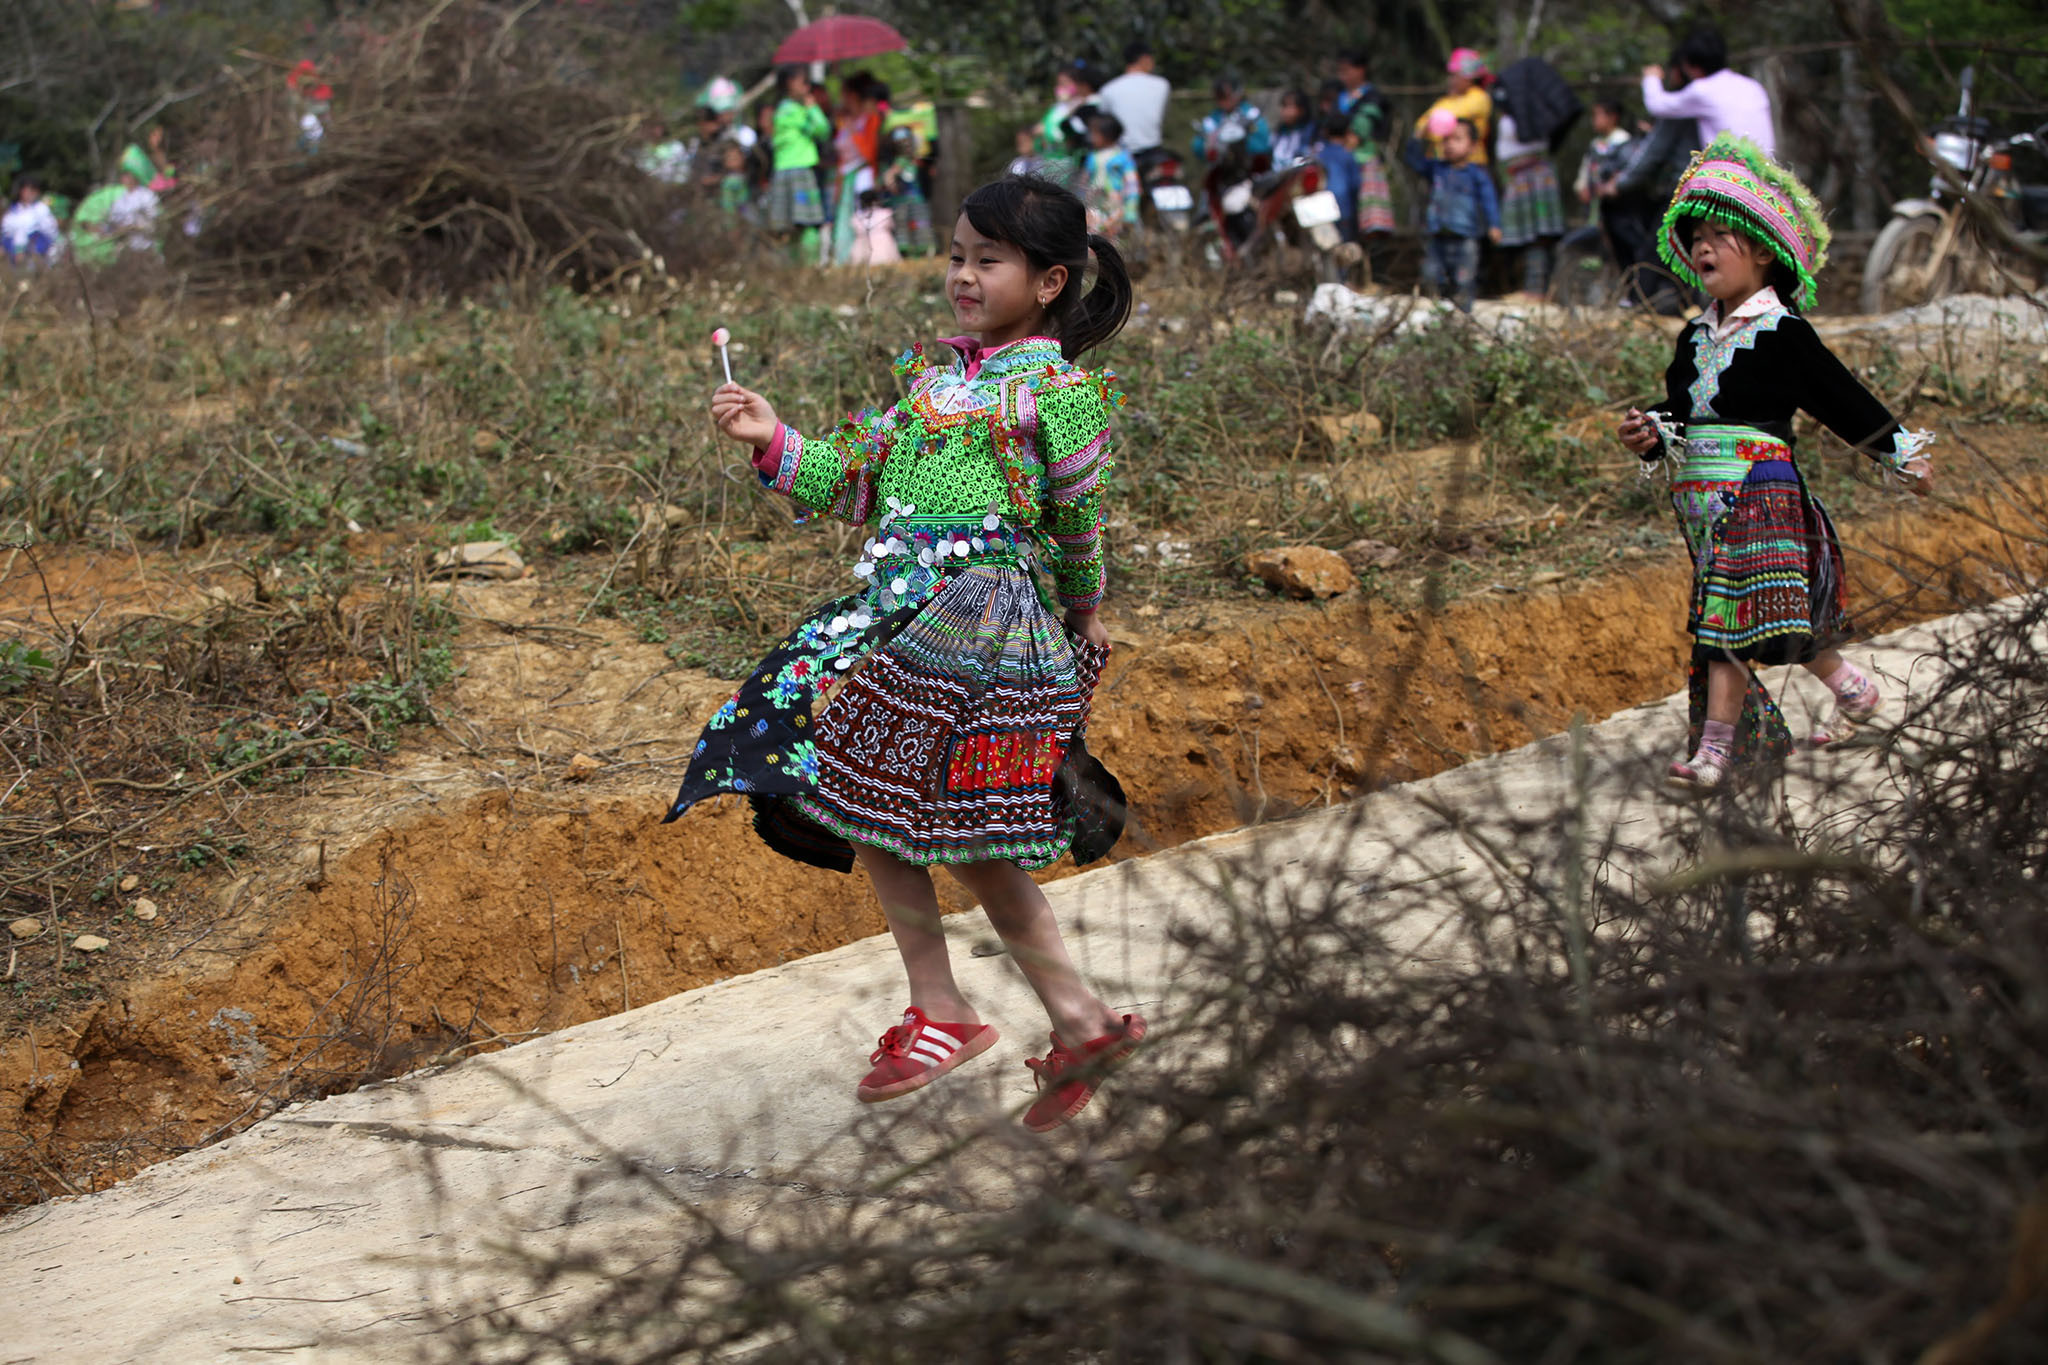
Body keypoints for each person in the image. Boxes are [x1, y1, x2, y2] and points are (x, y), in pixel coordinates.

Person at [687, 173, 1143, 1133]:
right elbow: (848, 479)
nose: (963, 277)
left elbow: (1079, 522)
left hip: (982, 621)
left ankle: (967, 1011)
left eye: (988, 260)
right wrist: (773, 436)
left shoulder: (1061, 393)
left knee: (939, 823)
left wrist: (1084, 609)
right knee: (868, 798)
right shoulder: (935, 384)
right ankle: (1049, 1016)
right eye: (955, 257)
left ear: (1051, 281)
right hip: (904, 615)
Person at [1617, 135, 1933, 789]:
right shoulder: (1694, 336)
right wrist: (1652, 428)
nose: (1703, 246)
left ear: (1762, 252)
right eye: (1696, 236)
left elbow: (1842, 399)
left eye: (1720, 236)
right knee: (1771, 613)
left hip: (1760, 489)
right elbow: (1683, 411)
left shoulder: (1784, 333)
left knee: (1726, 617)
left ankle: (1719, 751)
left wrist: (1900, 452)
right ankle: (1854, 692)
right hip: (1702, 502)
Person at [1597, 109, 1698, 309]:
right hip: (1685, 191)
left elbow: (1649, 158)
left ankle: (1640, 303)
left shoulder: (1673, 116)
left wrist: (1618, 185)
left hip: (1679, 193)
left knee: (1654, 249)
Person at [1403, 117, 1500, 311]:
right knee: (1432, 277)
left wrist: (1494, 225)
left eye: (1457, 139)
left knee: (1464, 281)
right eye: (1445, 139)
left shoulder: (1477, 175)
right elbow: (1413, 160)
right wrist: (1418, 137)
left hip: (1466, 238)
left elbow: (1489, 200)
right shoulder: (1436, 169)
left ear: (1473, 146)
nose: (1449, 144)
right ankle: (1438, 318)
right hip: (1437, 236)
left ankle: (1462, 320)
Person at [1641, 27, 1774, 157]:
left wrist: (1651, 78)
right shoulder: (1753, 86)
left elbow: (1657, 106)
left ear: (1690, 65)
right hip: (1764, 171)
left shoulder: (1702, 90)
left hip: (1730, 172)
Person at [1494, 108, 1565, 298]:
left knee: (1538, 235)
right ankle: (1531, 287)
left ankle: (1537, 289)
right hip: (1517, 179)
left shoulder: (1535, 105)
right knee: (1524, 237)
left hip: (1536, 179)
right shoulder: (1509, 103)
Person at [767, 66, 831, 261]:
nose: (807, 86)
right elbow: (823, 130)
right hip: (801, 171)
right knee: (809, 223)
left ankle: (795, 271)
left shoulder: (780, 111)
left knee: (789, 226)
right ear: (790, 83)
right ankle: (810, 269)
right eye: (803, 82)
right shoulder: (795, 111)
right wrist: (812, 106)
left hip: (781, 172)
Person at [1336, 52, 1397, 248]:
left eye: (1347, 70)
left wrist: (1346, 139)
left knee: (1370, 222)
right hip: (1340, 165)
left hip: (1364, 163)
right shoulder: (1340, 97)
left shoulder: (1373, 97)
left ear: (1361, 70)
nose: (1343, 75)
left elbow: (1361, 130)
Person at [829, 73, 886, 265]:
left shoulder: (870, 119)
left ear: (853, 95)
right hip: (845, 178)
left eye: (844, 93)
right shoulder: (842, 121)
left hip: (863, 176)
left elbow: (869, 152)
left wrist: (853, 130)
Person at [1415, 48, 1494, 163]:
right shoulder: (1446, 101)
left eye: (1455, 75)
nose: (1451, 80)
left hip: (1471, 164)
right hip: (1444, 165)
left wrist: (1433, 126)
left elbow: (1448, 115)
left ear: (1469, 77)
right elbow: (1420, 125)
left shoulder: (1479, 97)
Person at [1096, 41, 1170, 160]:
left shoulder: (1108, 89)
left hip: (1119, 154)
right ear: (1145, 59)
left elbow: (1103, 123)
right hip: (1153, 153)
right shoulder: (1162, 85)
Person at [1082, 114, 1141, 239]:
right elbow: (1085, 180)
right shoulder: (1092, 156)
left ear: (1107, 135)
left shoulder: (1123, 158)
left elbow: (1132, 185)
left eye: (1094, 133)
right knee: (1093, 235)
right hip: (1094, 204)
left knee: (1113, 237)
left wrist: (1130, 212)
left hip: (1115, 205)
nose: (1090, 137)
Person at [1192, 77, 1271, 167]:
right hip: (1222, 167)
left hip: (1249, 165)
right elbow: (1198, 148)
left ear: (1237, 93)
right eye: (1219, 97)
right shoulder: (1211, 121)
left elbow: (1263, 144)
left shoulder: (1252, 115)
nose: (1223, 101)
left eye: (1226, 96)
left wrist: (1243, 138)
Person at [1574, 99, 1633, 216]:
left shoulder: (1623, 141)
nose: (1594, 120)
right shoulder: (1595, 143)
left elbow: (1627, 170)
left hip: (1616, 203)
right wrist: (1582, 187)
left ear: (1613, 117)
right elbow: (1586, 166)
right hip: (1594, 200)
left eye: (1597, 115)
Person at [883, 126, 934, 257]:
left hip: (914, 198)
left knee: (917, 224)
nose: (904, 145)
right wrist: (892, 186)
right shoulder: (902, 161)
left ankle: (920, 250)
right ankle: (912, 251)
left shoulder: (913, 160)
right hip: (905, 199)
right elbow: (888, 177)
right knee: (905, 226)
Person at [1314, 115, 1362, 244]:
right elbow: (1355, 184)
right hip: (1343, 208)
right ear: (1347, 132)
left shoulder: (1318, 156)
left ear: (1326, 132)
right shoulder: (1348, 156)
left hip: (1321, 209)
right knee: (1343, 247)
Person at [2, 177, 63, 266]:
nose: (32, 193)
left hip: (37, 250)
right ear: (21, 191)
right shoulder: (12, 213)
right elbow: (6, 233)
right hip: (13, 253)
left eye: (34, 190)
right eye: (29, 190)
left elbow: (51, 231)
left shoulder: (41, 208)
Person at [106, 169, 160, 253]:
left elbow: (154, 215)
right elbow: (114, 221)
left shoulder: (146, 194)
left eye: (129, 176)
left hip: (148, 242)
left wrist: (137, 226)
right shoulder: (119, 201)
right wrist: (122, 228)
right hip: (131, 246)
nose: (128, 180)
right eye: (125, 177)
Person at [850, 187, 901, 266]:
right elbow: (892, 227)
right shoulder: (885, 214)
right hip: (885, 251)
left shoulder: (856, 218)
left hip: (862, 253)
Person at [1270, 89, 1316, 166]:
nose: (1285, 111)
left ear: (1302, 110)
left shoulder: (1311, 132)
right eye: (1284, 106)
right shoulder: (1279, 132)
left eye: (1290, 106)